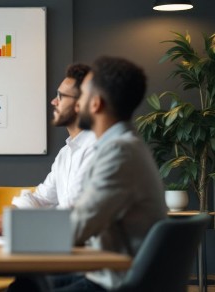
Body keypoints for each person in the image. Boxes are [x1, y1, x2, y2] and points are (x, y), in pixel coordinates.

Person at [45, 56, 166, 292]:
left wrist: (18, 235)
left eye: (83, 96)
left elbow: (79, 227)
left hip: (118, 283)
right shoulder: (122, 146)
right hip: (107, 274)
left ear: (96, 104)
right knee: (27, 284)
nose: (77, 105)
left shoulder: (119, 153)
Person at [0, 64, 96, 235]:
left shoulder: (95, 149)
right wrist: (8, 216)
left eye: (61, 96)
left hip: (86, 251)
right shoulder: (65, 154)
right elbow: (41, 198)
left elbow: (73, 213)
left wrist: (18, 223)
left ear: (81, 104)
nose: (54, 101)